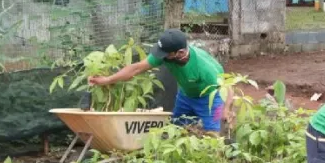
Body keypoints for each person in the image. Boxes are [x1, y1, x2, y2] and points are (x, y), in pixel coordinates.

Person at [88, 29, 233, 133]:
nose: (160, 56)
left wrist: (226, 109)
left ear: (180, 53)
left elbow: (228, 88)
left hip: (210, 97)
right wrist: (107, 80)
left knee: (212, 134)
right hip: (185, 95)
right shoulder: (165, 55)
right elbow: (136, 68)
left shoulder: (204, 68)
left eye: (165, 54)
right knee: (177, 129)